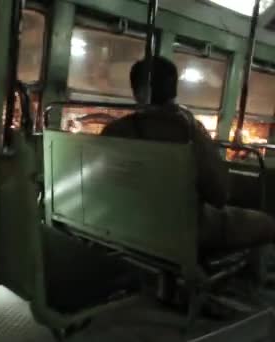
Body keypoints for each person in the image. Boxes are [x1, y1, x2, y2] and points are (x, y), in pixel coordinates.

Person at [101, 56, 275, 257]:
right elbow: (219, 195)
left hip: (126, 225)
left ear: (136, 92)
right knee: (267, 224)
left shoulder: (113, 131)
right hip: (184, 230)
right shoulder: (188, 131)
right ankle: (249, 286)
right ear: (174, 89)